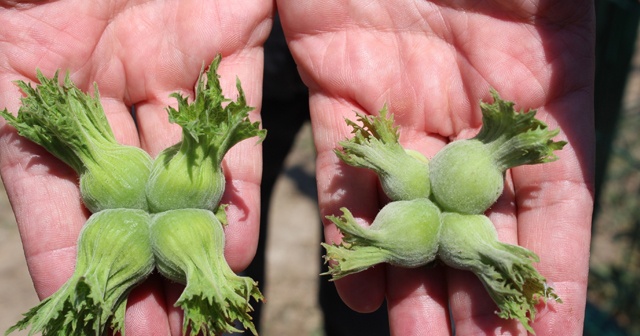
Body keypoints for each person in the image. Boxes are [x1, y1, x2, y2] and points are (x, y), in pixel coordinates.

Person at [0, 1, 595, 335]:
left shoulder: (434, 196)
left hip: (346, 51)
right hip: (245, 49)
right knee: (250, 241)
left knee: (355, 282)